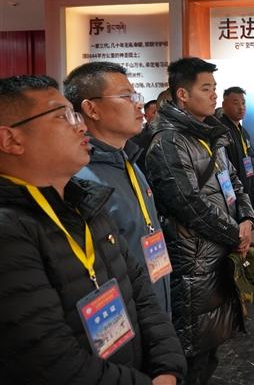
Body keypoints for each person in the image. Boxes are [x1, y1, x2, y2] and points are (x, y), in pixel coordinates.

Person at [0, 75, 185, 384]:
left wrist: (168, 365)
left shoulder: (86, 204)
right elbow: (53, 362)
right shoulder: (10, 232)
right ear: (11, 140)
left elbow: (141, 295)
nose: (81, 127)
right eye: (62, 117)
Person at [144, 58, 254, 385]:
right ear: (182, 94)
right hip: (192, 260)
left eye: (214, 88)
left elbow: (235, 181)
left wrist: (246, 218)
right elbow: (189, 204)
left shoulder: (209, 134)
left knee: (209, 351)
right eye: (206, 89)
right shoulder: (169, 141)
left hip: (216, 254)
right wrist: (235, 233)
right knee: (191, 354)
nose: (213, 95)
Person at [64, 62, 172, 316]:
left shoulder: (127, 160)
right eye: (126, 97)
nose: (138, 105)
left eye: (136, 96)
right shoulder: (80, 178)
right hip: (123, 318)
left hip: (155, 306)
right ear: (91, 108)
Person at [217, 86, 254, 219]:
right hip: (231, 197)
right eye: (236, 103)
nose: (241, 107)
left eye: (243, 103)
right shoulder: (221, 131)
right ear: (224, 105)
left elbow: (249, 161)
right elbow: (221, 170)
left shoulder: (243, 132)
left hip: (245, 190)